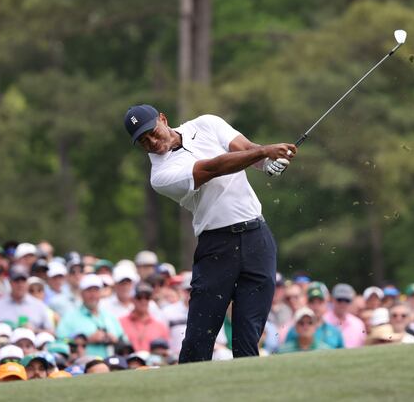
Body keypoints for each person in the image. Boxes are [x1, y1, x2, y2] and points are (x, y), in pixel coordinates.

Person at [124, 104, 296, 363]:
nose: (151, 141)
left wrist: (267, 162)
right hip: (217, 247)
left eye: (152, 131)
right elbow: (214, 168)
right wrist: (265, 151)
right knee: (198, 339)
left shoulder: (206, 124)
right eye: (143, 141)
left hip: (257, 238)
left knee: (247, 337)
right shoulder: (161, 175)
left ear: (163, 119)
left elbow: (245, 149)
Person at [56, 274, 125, 358]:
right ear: (81, 293)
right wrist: (87, 340)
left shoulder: (109, 316)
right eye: (89, 290)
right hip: (83, 367)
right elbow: (60, 342)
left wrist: (115, 340)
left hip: (112, 365)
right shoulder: (69, 317)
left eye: (96, 290)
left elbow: (123, 340)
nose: (93, 295)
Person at [0, 265, 53, 331]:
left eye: (23, 280)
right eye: (16, 281)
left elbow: (51, 332)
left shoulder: (39, 305)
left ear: (27, 282)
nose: (20, 285)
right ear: (10, 282)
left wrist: (34, 330)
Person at [120, 283, 169, 352]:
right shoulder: (120, 323)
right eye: (139, 297)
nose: (143, 301)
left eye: (147, 297)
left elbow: (166, 351)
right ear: (132, 299)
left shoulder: (160, 326)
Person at [323, 283, 366, 348]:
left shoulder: (358, 324)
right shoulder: (323, 321)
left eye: (347, 300)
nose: (343, 303)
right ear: (332, 299)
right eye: (339, 300)